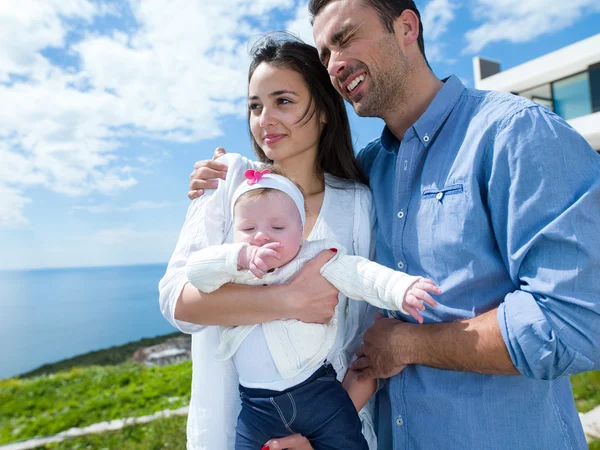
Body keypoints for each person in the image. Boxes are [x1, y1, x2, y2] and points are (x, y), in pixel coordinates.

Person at [189, 0, 600, 448]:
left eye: (345, 38)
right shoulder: (366, 174)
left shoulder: (516, 134)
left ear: (407, 27)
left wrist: (408, 345)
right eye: (325, 54)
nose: (335, 65)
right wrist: (231, 174)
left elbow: (576, 320)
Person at [160, 35, 387, 450]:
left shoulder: (356, 202)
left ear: (322, 109)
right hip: (228, 432)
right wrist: (286, 300)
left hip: (332, 433)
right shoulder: (229, 178)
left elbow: (363, 340)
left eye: (283, 101)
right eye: (255, 105)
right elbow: (178, 303)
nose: (264, 118)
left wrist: (315, 437)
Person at [185, 168, 440, 449]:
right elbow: (196, 272)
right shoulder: (235, 270)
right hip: (256, 407)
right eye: (248, 229)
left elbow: (360, 274)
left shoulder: (316, 257)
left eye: (278, 228)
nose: (260, 237)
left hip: (316, 393)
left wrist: (400, 288)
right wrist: (238, 257)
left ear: (301, 228)